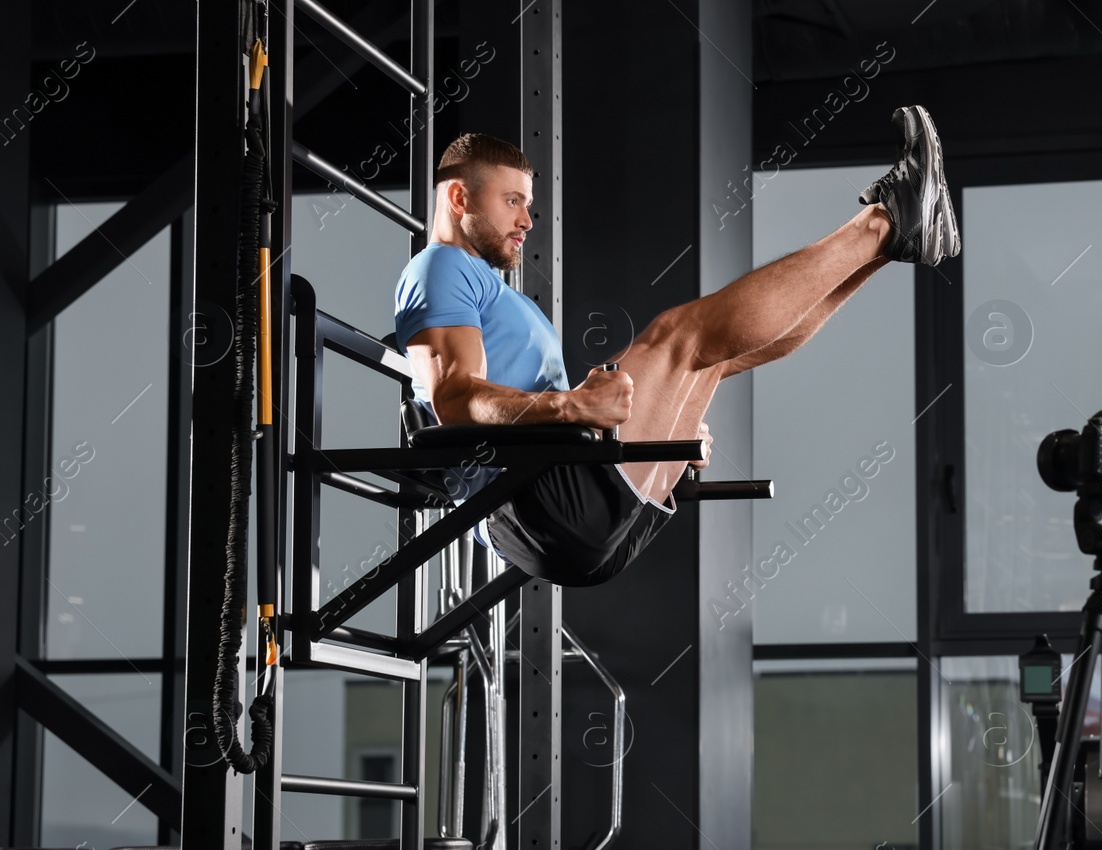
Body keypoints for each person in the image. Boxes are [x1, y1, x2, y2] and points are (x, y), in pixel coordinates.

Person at [396, 106, 960, 586]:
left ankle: (891, 244)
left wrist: (646, 427)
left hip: (570, 513)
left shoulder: (485, 285)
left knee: (718, 356)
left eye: (529, 204)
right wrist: (572, 406)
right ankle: (884, 223)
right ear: (459, 197)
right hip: (538, 507)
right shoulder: (440, 267)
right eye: (513, 201)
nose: (527, 219)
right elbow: (455, 398)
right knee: (681, 335)